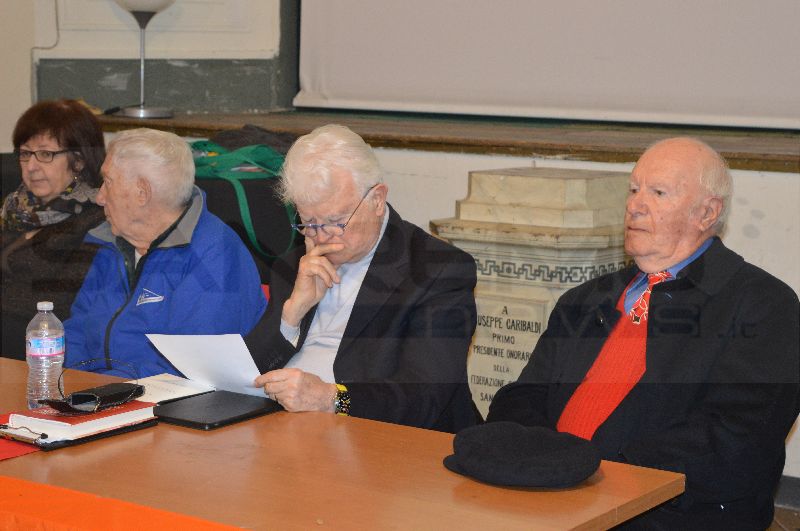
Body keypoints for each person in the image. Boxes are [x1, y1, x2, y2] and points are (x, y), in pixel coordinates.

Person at [487, 137, 799, 530]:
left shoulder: (763, 305)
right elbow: (523, 396)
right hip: (550, 495)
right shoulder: (584, 299)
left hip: (665, 514)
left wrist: (599, 475)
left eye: (658, 192)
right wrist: (539, 464)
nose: (635, 205)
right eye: (634, 189)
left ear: (707, 212)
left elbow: (736, 439)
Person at [245, 124, 477, 432]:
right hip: (286, 431)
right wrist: (291, 315)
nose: (321, 236)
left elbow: (424, 397)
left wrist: (332, 399)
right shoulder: (294, 265)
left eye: (336, 221)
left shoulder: (438, 270)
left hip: (382, 441)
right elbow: (247, 375)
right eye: (308, 222)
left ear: (377, 200)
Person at [65, 128, 266, 378]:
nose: (99, 197)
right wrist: (70, 381)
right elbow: (77, 329)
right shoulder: (113, 243)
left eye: (108, 182)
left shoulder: (215, 254)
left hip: (163, 397)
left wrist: (103, 389)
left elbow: (191, 370)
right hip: (98, 391)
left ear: (142, 192)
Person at [1, 99, 106, 360]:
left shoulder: (96, 221)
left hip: (37, 351)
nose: (31, 166)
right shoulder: (13, 209)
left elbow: (59, 304)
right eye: (25, 153)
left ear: (78, 161)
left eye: (46, 154)